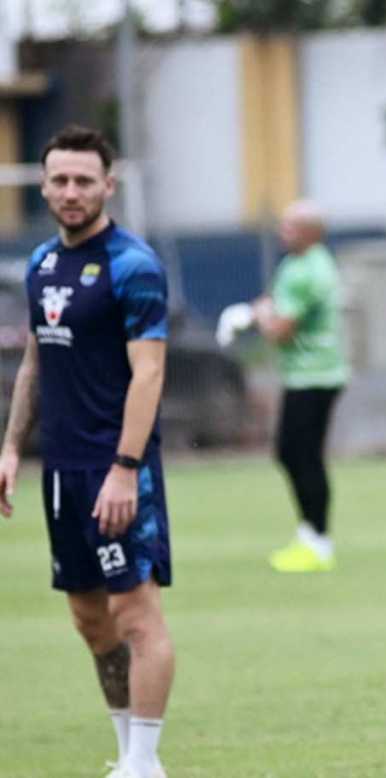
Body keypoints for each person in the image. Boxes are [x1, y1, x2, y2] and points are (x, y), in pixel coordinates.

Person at [0, 125, 174, 778]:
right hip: (62, 469)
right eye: (60, 180)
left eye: (83, 180)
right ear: (43, 186)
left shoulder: (133, 265)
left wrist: (125, 470)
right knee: (89, 619)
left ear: (108, 184)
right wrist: (11, 449)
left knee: (136, 612)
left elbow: (150, 374)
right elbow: (37, 363)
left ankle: (145, 762)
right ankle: (128, 752)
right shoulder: (43, 265)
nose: (71, 192)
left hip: (116, 466)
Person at [252, 200, 348, 573]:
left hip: (314, 375)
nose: (282, 232)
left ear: (311, 232)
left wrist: (259, 314)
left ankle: (317, 540)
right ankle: (311, 534)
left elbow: (279, 330)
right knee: (294, 453)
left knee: (300, 454)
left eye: (291, 226)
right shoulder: (302, 263)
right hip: (310, 374)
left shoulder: (306, 271)